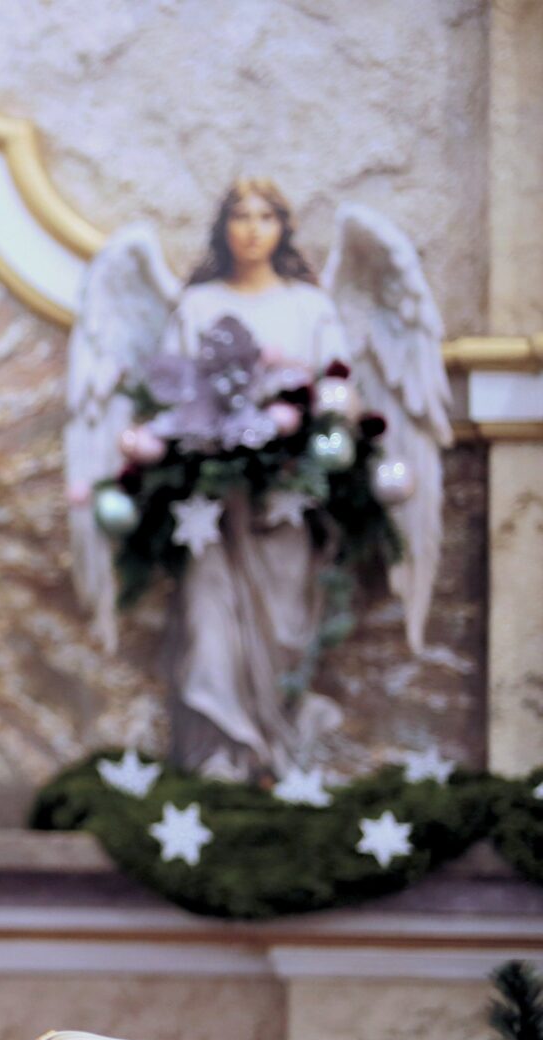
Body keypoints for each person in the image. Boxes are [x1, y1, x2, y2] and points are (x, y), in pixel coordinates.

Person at [164, 179, 350, 778]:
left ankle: (278, 751)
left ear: (282, 229)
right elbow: (170, 394)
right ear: (223, 228)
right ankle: (222, 753)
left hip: (285, 500)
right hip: (212, 510)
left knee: (286, 630)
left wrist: (298, 435)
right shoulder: (197, 306)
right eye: (240, 216)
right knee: (208, 627)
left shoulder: (309, 307)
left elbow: (337, 391)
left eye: (265, 216)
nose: (251, 229)